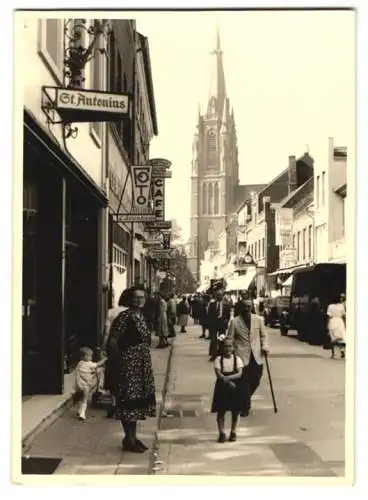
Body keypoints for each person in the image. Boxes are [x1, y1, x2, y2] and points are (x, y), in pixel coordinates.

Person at [108, 285, 156, 453]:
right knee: (128, 402)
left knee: (136, 403)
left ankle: (132, 437)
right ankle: (128, 438)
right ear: (129, 299)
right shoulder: (125, 317)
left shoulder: (140, 315)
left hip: (141, 363)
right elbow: (113, 340)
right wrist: (120, 360)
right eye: (136, 297)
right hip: (128, 364)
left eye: (142, 297)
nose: (139, 300)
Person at [226, 299, 270, 415]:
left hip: (256, 356)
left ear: (252, 307)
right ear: (241, 307)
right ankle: (245, 407)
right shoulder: (235, 322)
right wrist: (229, 351)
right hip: (241, 356)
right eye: (245, 306)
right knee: (244, 383)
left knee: (256, 380)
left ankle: (244, 398)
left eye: (249, 307)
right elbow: (230, 338)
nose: (247, 309)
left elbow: (264, 335)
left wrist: (265, 346)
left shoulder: (259, 320)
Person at [211, 338, 245, 443]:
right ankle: (221, 432)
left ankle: (233, 431)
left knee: (235, 410)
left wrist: (229, 379)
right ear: (222, 348)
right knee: (221, 411)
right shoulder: (218, 360)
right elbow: (219, 374)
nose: (228, 349)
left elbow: (239, 373)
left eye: (230, 346)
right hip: (222, 387)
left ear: (233, 348)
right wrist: (226, 380)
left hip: (235, 386)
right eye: (225, 346)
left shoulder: (237, 360)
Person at [101, 294, 128, 418]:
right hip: (127, 347)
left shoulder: (111, 312)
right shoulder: (132, 313)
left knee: (112, 375)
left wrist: (103, 347)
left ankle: (113, 403)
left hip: (113, 347)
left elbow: (106, 332)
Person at [74, 347, 106, 421]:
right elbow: (97, 364)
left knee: (80, 397)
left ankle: (79, 410)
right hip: (85, 384)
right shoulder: (89, 364)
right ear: (83, 357)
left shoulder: (79, 363)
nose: (91, 357)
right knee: (85, 398)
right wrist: (104, 359)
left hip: (78, 384)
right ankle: (82, 413)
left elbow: (83, 371)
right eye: (89, 356)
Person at [207, 288, 232, 361]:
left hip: (222, 324)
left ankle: (221, 353)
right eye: (217, 295)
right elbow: (209, 315)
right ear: (215, 296)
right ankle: (214, 355)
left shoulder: (226, 304)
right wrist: (209, 324)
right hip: (214, 324)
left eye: (220, 295)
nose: (219, 296)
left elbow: (228, 315)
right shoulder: (212, 304)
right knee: (214, 340)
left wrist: (226, 322)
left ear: (223, 296)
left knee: (221, 339)